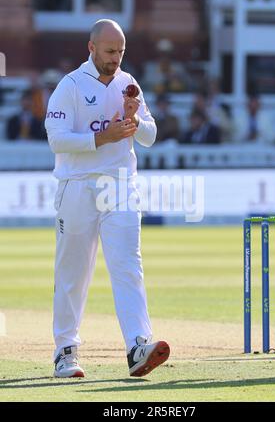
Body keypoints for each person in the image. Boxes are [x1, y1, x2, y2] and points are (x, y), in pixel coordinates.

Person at [45, 19, 170, 379]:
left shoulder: (129, 84)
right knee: (74, 271)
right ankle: (65, 351)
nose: (116, 58)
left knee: (128, 265)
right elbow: (57, 139)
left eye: (121, 52)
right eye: (110, 51)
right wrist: (102, 138)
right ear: (92, 48)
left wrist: (135, 121)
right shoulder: (69, 86)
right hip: (78, 184)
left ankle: (138, 346)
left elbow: (149, 135)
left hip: (120, 184)